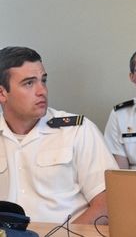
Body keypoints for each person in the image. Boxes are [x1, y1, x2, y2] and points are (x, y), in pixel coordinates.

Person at [0, 46, 118, 225]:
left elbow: (109, 203)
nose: (42, 91)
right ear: (2, 93)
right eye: (29, 83)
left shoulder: (77, 130)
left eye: (43, 80)